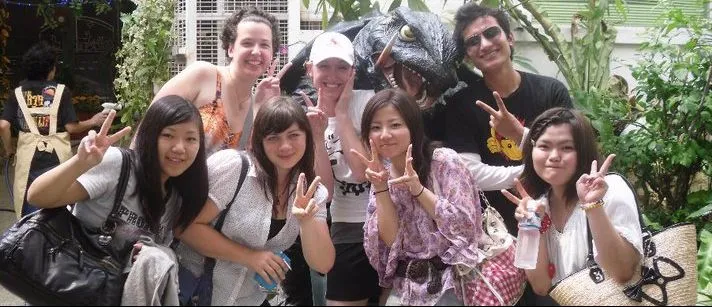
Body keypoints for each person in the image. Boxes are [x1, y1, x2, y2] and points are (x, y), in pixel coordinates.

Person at [176, 96, 335, 306]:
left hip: (249, 300)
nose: (285, 146)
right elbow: (184, 226)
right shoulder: (234, 168)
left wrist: (306, 222)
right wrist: (249, 257)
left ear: (306, 137)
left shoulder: (312, 192)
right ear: (259, 140)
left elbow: (322, 264)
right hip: (195, 294)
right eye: (273, 138)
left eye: (293, 135)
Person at [436, 3, 574, 235]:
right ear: (468, 55)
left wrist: (520, 134)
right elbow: (470, 173)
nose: (486, 44)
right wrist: (533, 170)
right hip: (498, 234)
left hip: (559, 218)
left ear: (510, 38)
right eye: (473, 41)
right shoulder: (460, 105)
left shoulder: (551, 92)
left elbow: (572, 152)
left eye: (491, 33)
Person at [27, 94, 209, 257]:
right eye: (168, 135)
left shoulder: (176, 197)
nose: (179, 148)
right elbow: (37, 197)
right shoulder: (119, 166)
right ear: (149, 136)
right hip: (73, 283)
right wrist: (80, 163)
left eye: (190, 139)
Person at [355, 89, 481, 306]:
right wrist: (380, 187)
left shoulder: (443, 162)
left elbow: (465, 226)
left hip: (453, 282)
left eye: (395, 125)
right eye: (376, 127)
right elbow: (390, 241)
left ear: (413, 126)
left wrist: (417, 189)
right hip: (408, 288)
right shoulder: (381, 174)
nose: (385, 134)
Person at [501, 107, 643, 299]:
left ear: (583, 152)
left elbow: (623, 272)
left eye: (566, 148)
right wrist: (530, 225)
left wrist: (593, 205)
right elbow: (541, 285)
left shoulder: (610, 189)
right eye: (544, 146)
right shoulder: (541, 206)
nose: (553, 156)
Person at [302, 32, 380, 306]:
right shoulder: (303, 117)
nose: (332, 75)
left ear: (353, 72)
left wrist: (343, 115)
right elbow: (326, 191)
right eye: (324, 66)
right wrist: (316, 136)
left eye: (342, 67)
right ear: (310, 69)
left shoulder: (370, 102)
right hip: (345, 226)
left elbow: (362, 172)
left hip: (386, 219)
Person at [152, 6, 291, 155]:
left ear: (272, 53)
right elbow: (149, 126)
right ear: (231, 49)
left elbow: (248, 162)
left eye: (264, 45)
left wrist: (262, 108)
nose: (256, 51)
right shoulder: (203, 75)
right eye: (247, 43)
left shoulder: (255, 103)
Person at [0, 42, 107, 217]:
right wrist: (93, 121)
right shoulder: (60, 91)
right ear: (50, 69)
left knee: (31, 202)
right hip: (57, 157)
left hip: (28, 158)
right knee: (61, 200)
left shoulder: (17, 93)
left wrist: (9, 150)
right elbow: (71, 127)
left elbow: (3, 125)